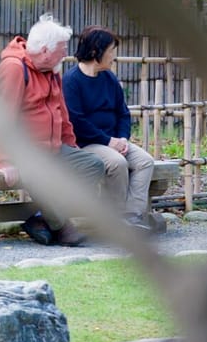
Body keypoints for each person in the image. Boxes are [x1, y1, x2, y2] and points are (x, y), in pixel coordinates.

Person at [0, 14, 105, 247]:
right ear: (46, 50)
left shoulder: (52, 69)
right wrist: (4, 161)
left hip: (48, 149)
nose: (66, 54)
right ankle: (62, 227)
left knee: (93, 166)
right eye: (62, 49)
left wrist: (70, 144)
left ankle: (41, 219)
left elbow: (62, 111)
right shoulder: (14, 68)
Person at [62, 28, 160, 231]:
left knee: (145, 161)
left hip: (113, 141)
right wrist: (109, 141)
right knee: (117, 162)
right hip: (86, 143)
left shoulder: (109, 78)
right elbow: (76, 121)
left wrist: (122, 138)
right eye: (111, 50)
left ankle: (133, 216)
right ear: (96, 51)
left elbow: (122, 113)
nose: (113, 56)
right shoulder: (71, 81)